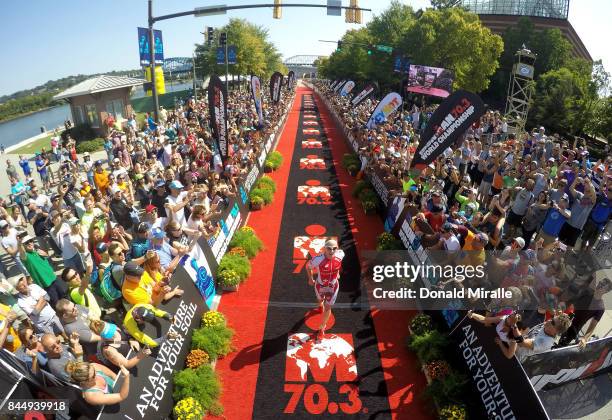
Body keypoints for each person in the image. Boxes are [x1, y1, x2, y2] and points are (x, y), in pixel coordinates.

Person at [305, 239, 345, 341]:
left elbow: (340, 263)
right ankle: (319, 305)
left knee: (328, 307)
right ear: (324, 249)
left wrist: (338, 273)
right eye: (329, 248)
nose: (332, 251)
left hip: (333, 286)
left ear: (337, 249)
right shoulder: (318, 259)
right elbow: (308, 266)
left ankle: (322, 328)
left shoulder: (340, 255)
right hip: (320, 285)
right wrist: (310, 278)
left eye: (334, 248)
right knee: (320, 301)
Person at [493, 312, 572, 361]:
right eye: (552, 319)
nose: (549, 321)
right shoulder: (546, 326)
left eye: (553, 322)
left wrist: (514, 324)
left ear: (557, 331)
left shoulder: (546, 342)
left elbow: (521, 343)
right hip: (510, 344)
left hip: (514, 359)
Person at [558, 277, 612, 348]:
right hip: (563, 319)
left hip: (572, 330)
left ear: (606, 291)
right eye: (600, 283)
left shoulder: (600, 308)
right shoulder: (586, 292)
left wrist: (584, 338)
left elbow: (592, 327)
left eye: (602, 286)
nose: (599, 285)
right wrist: (561, 308)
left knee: (559, 346)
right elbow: (570, 301)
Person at [18, 235, 67, 307]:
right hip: (46, 284)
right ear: (23, 246)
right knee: (56, 303)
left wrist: (46, 254)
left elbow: (47, 263)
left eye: (30, 241)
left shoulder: (38, 251)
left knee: (64, 296)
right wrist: (19, 244)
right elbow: (22, 253)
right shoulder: (26, 257)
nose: (29, 243)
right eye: (26, 242)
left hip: (54, 278)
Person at [65, 360, 131, 406]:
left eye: (94, 370)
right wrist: (127, 377)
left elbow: (114, 376)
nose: (96, 374)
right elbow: (121, 396)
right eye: (93, 376)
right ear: (84, 381)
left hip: (125, 391)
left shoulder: (94, 366)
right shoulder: (91, 396)